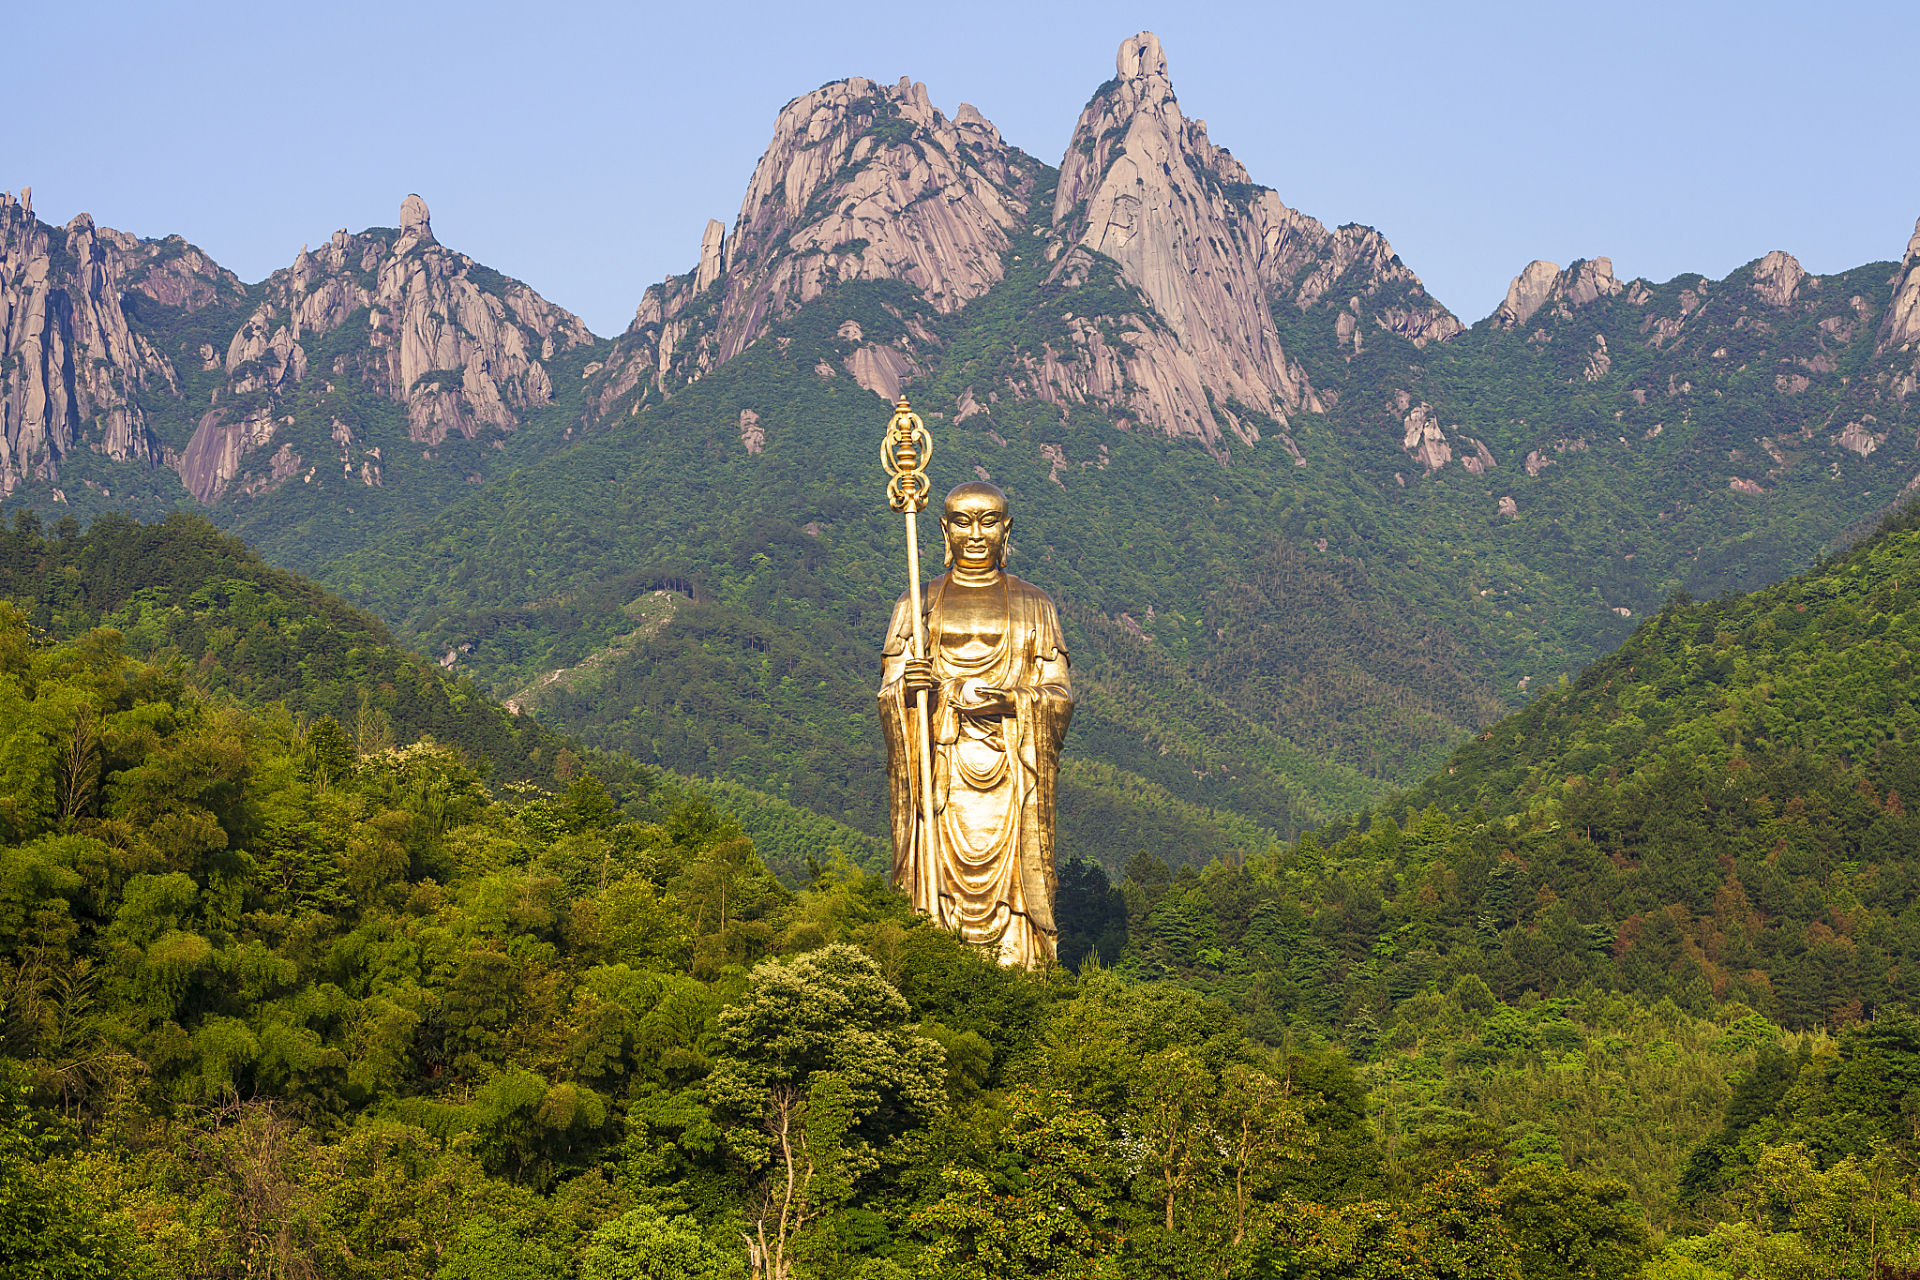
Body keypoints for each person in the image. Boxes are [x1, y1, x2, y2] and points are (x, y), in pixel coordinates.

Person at [878, 481, 1073, 967]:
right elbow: (890, 690)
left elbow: (1058, 693)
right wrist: (910, 691)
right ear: (944, 530)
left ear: (1006, 530)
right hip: (941, 768)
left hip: (1013, 768)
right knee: (937, 885)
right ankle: (935, 963)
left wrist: (1009, 700)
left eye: (988, 522)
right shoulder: (915, 604)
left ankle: (1020, 969)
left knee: (1018, 891)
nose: (976, 534)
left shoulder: (1036, 605)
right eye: (963, 522)